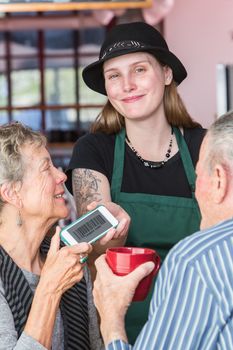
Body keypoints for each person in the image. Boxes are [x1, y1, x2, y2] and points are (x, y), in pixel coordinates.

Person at [65, 21, 206, 341]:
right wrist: (108, 227)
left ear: (167, 74)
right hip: (117, 326)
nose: (127, 85)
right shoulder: (93, 149)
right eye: (114, 75)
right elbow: (92, 242)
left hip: (197, 321)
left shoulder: (203, 147)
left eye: (139, 70)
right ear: (106, 86)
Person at [93, 112, 233, 350]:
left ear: (219, 180)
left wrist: (111, 320)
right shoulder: (97, 148)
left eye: (198, 176)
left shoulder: (197, 260)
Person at [0, 122, 130, 350]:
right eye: (45, 168)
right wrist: (50, 289)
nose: (61, 175)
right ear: (12, 193)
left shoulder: (70, 262)